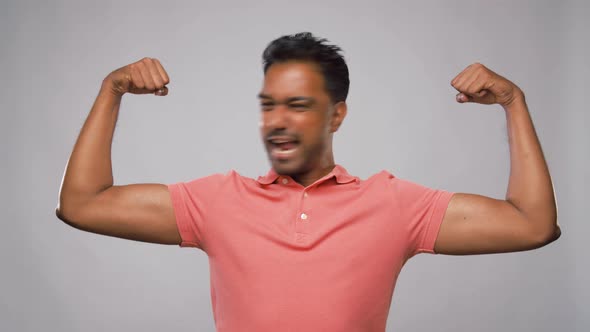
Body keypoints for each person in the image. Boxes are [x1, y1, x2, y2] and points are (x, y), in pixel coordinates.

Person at [56, 32, 560, 331]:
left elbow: (530, 224)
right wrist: (112, 90)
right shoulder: (217, 201)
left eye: (297, 105)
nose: (278, 120)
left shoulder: (393, 204)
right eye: (269, 105)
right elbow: (84, 204)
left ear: (336, 116)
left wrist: (515, 104)